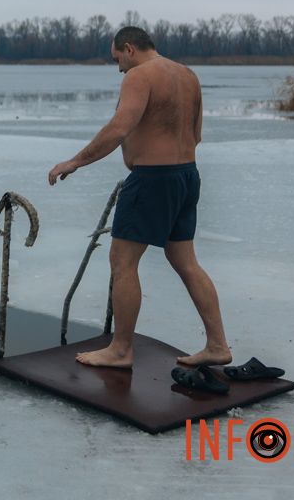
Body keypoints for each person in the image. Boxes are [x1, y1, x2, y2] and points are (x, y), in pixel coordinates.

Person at [47, 26, 230, 369]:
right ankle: (218, 345)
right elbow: (197, 134)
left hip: (152, 180)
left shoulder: (140, 76)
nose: (118, 68)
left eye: (117, 59)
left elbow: (120, 127)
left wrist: (75, 161)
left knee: (122, 262)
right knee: (186, 262)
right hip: (187, 176)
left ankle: (120, 349)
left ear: (129, 48)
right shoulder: (187, 75)